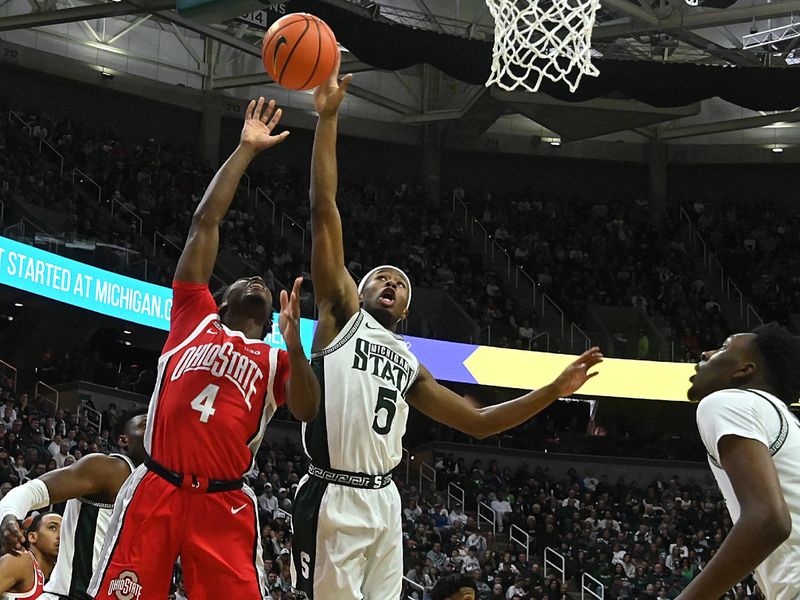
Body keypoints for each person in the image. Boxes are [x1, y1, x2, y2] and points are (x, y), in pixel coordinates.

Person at [290, 56, 603, 600]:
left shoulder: (409, 364)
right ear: (356, 292)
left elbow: (478, 423)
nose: (390, 284)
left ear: (407, 309)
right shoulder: (339, 316)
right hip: (332, 495)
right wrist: (328, 120)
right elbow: (324, 210)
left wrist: (553, 390)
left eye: (400, 284)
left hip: (386, 500)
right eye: (380, 278)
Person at [88, 98, 320, 600]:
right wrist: (243, 150)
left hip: (224, 502)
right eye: (245, 278)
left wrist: (296, 345)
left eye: (264, 280)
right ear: (221, 298)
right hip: (157, 487)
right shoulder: (193, 317)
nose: (257, 278)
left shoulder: (278, 358)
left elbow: (307, 408)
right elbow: (204, 225)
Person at [677, 323, 800, 600]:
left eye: (722, 348)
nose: (707, 354)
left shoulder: (727, 402)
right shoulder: (784, 420)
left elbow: (768, 520)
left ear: (744, 370)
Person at [0, 409, 146, 600]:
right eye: (146, 424)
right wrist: (9, 515)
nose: (155, 429)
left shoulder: (156, 487)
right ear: (123, 440)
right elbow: (31, 491)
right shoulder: (112, 469)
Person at [0, 512, 61, 599]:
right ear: (33, 537)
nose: (61, 535)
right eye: (53, 528)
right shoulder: (20, 560)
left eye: (65, 531)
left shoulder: (58, 580)